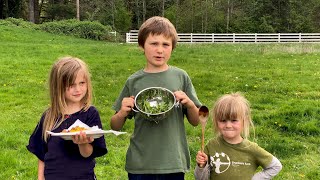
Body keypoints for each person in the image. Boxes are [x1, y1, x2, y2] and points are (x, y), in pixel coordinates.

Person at [110, 16, 202, 180]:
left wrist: (189, 104)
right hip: (140, 164)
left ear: (172, 48)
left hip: (173, 162)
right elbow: (115, 126)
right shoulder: (134, 81)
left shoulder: (181, 77)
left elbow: (196, 121)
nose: (160, 50)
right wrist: (122, 112)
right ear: (142, 46)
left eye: (165, 44)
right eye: (154, 43)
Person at [26, 57, 108, 180]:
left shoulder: (90, 114)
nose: (78, 89)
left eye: (82, 83)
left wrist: (83, 143)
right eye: (71, 85)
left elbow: (88, 154)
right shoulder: (49, 116)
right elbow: (41, 154)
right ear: (57, 86)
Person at [194, 92, 282, 180]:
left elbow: (275, 166)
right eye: (223, 120)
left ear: (244, 121)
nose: (228, 125)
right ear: (216, 121)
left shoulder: (251, 148)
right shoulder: (212, 145)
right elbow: (200, 179)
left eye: (234, 120)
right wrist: (201, 166)